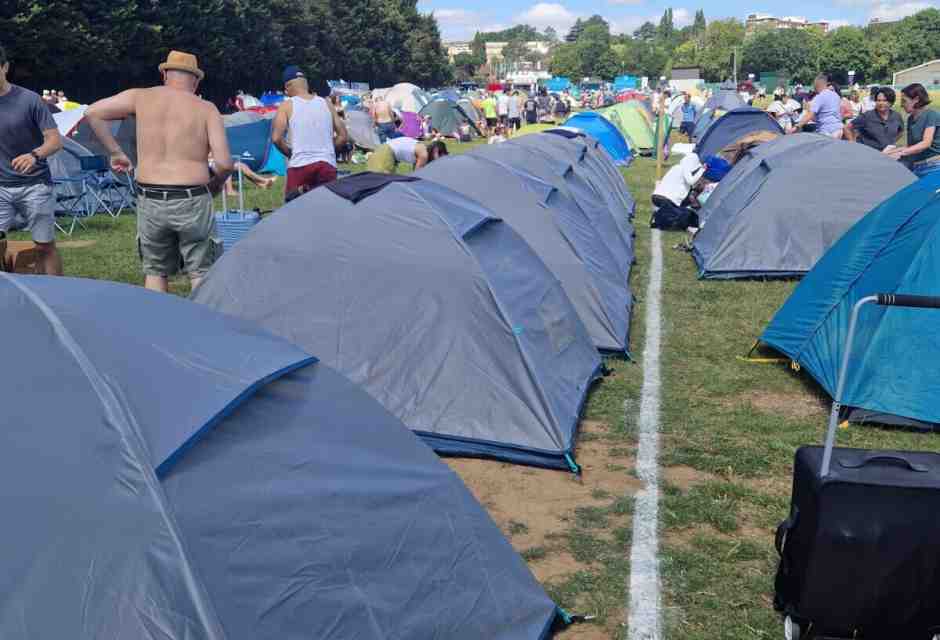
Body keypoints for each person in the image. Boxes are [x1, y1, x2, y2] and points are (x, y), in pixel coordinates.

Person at [84, 51, 231, 292]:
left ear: (164, 74)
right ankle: (203, 327)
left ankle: (157, 327)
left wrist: (116, 153)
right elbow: (224, 164)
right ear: (195, 81)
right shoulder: (206, 108)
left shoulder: (140, 97)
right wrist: (214, 186)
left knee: (155, 272)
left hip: (150, 198)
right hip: (193, 198)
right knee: (201, 272)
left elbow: (92, 113)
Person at [0, 44, 64, 276]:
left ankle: (57, 297)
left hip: (35, 186)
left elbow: (55, 141)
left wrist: (34, 155)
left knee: (44, 246)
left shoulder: (30, 100)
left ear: (5, 67)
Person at [272, 65, 348, 199]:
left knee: (293, 210)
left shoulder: (286, 106)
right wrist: (328, 150)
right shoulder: (326, 103)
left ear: (288, 87)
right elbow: (342, 137)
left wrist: (290, 153)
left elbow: (276, 138)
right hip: (327, 164)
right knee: (326, 209)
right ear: (306, 84)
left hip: (299, 165)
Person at [884, 83, 940, 177]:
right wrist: (888, 154)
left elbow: (926, 143)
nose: (902, 105)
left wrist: (900, 153)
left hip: (934, 166)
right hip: (917, 166)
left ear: (916, 99)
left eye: (904, 101)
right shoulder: (910, 119)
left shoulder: (931, 115)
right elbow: (912, 147)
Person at [650, 153, 707, 230]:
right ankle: (658, 217)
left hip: (656, 197)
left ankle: (660, 216)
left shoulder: (675, 167)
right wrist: (702, 170)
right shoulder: (684, 168)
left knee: (676, 212)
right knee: (683, 215)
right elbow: (691, 181)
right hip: (667, 199)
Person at [844, 87, 902, 152]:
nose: (881, 103)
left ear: (891, 102)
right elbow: (847, 128)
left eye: (884, 100)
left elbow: (900, 132)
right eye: (878, 100)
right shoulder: (867, 116)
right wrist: (853, 145)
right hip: (868, 153)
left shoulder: (896, 116)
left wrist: (890, 142)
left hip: (887, 153)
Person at [795, 74, 843, 138]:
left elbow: (810, 115)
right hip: (839, 129)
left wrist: (797, 126)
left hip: (826, 131)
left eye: (814, 85)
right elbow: (839, 113)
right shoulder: (836, 96)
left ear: (817, 84)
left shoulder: (819, 97)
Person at [366, 137, 447, 173]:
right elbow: (417, 174)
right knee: (381, 182)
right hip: (386, 153)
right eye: (440, 157)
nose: (438, 161)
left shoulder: (422, 148)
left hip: (385, 151)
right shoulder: (424, 154)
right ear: (436, 150)